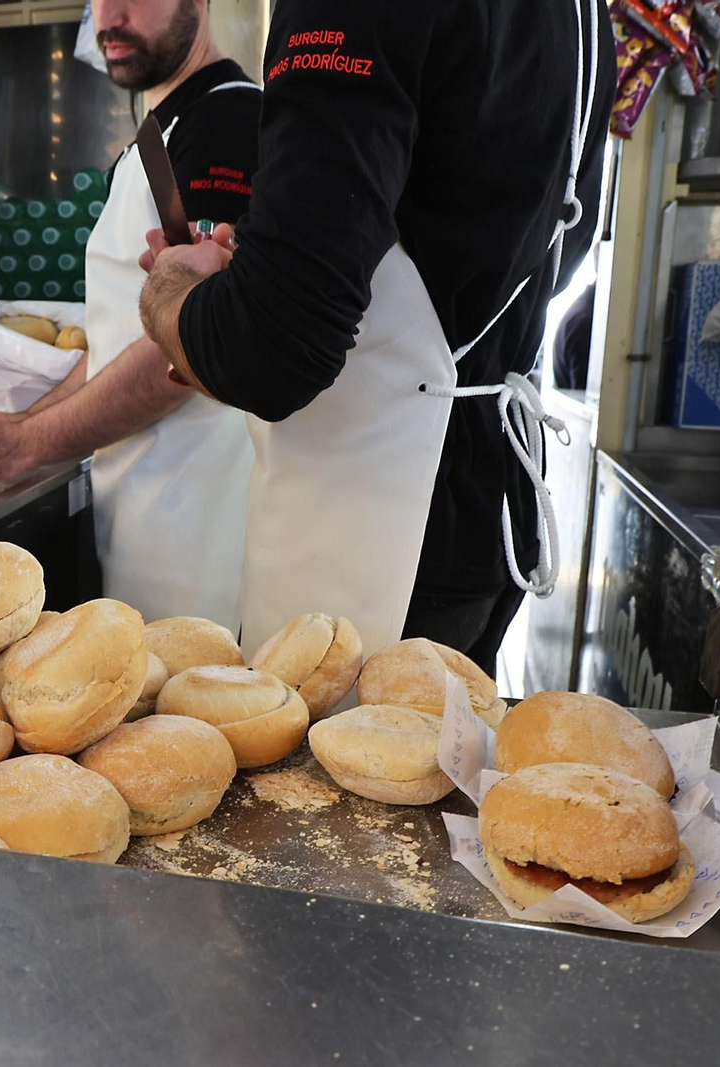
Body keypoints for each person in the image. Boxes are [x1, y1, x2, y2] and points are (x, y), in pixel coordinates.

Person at [136, 0, 614, 673]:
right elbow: (495, 239)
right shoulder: (585, 16)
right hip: (490, 516)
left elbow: (270, 350)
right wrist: (268, 270)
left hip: (377, 541)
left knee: (322, 744)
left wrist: (171, 291)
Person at [0, 0, 261, 631]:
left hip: (200, 543)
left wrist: (22, 446)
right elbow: (121, 342)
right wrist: (17, 425)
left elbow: (193, 342)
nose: (110, 17)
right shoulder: (162, 133)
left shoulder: (226, 124)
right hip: (148, 529)